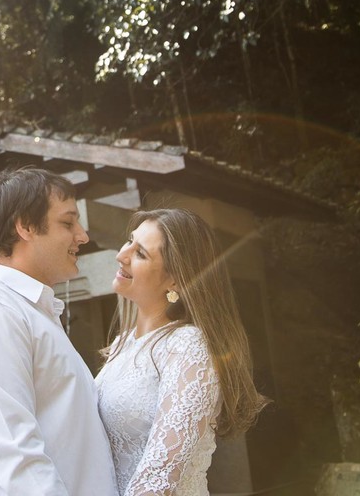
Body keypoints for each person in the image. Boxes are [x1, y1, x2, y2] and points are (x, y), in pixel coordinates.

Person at [0, 167, 118, 496]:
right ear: (26, 226)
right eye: (68, 223)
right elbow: (13, 455)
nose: (82, 236)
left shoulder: (32, 312)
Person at [96, 208, 267, 495]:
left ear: (175, 280)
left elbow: (159, 476)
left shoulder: (188, 346)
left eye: (140, 254)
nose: (121, 255)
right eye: (129, 241)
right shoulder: (121, 345)